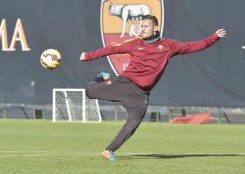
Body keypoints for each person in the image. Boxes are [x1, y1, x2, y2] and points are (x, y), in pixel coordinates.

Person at [79, 15, 227, 161]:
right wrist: (88, 55)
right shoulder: (135, 43)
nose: (141, 29)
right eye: (140, 26)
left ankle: (109, 150)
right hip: (124, 84)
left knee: (133, 123)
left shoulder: (169, 46)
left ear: (155, 28)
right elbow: (112, 49)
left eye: (145, 26)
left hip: (141, 94)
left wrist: (214, 37)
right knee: (89, 92)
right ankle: (101, 77)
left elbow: (193, 46)